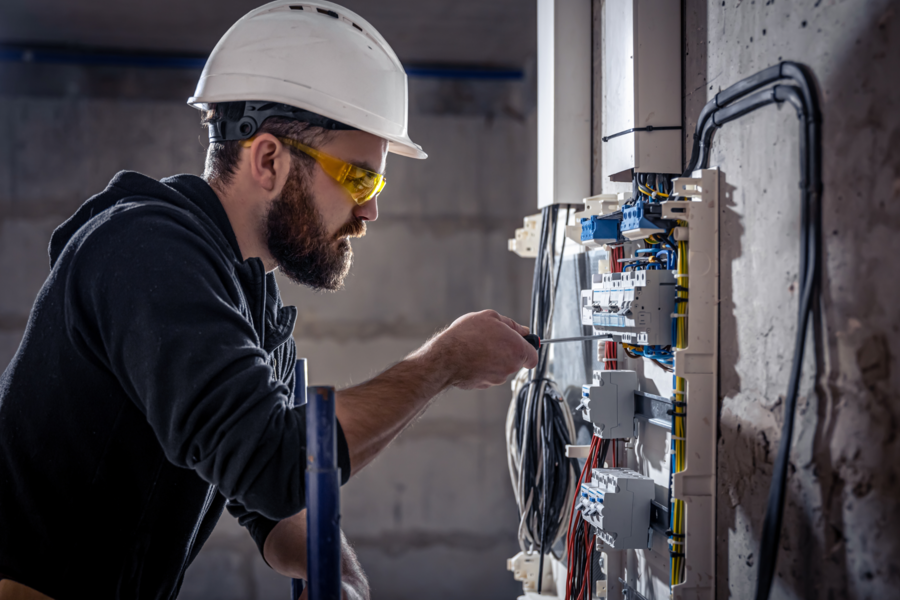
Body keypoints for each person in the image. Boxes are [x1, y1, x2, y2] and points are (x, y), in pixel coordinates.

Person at [0, 1, 538, 599]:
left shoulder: (243, 297)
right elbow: (277, 462)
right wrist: (442, 362)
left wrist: (335, 572)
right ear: (268, 159)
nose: (371, 210)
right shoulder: (145, 253)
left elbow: (273, 499)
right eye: (359, 178)